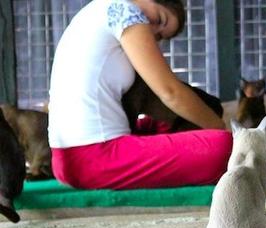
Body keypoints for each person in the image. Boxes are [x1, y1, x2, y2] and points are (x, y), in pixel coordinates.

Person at [48, 0, 232, 190]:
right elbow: (170, 92)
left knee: (179, 119)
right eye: (160, 19)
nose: (153, 31)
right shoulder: (125, 11)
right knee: (224, 145)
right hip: (94, 156)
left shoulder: (98, 9)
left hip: (69, 159)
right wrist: (220, 127)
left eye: (160, 36)